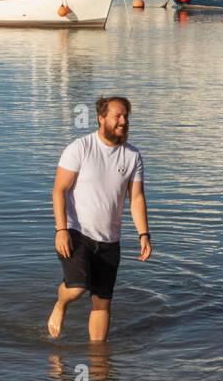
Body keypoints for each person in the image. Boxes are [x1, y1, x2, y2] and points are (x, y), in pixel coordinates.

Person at [47, 96, 151, 342]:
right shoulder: (80, 148)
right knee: (76, 288)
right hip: (76, 232)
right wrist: (60, 230)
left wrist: (143, 234)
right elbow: (59, 190)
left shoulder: (132, 156)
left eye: (126, 116)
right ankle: (61, 303)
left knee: (102, 302)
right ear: (101, 118)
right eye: (118, 116)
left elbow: (136, 198)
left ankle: (98, 359)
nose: (123, 121)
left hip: (109, 240)